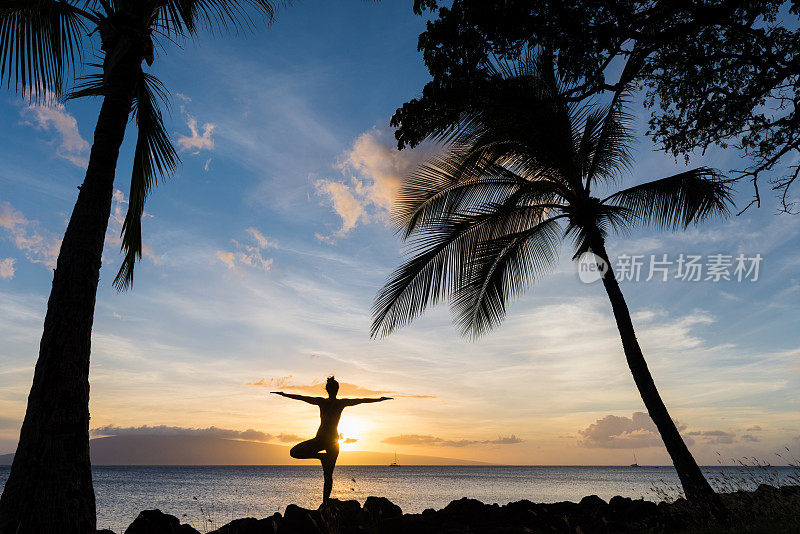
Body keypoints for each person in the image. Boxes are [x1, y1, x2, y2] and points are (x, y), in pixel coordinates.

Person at [272, 376, 392, 502]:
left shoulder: (323, 402)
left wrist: (284, 394)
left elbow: (303, 398)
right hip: (330, 441)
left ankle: (325, 502)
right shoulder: (338, 403)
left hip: (324, 440)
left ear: (327, 389)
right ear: (337, 389)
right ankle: (321, 462)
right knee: (327, 475)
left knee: (302, 458)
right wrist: (379, 399)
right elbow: (361, 400)